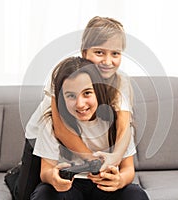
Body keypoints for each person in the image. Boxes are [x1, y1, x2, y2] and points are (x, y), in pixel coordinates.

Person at [9, 16, 134, 200]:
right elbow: (60, 128)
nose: (107, 61)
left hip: (78, 134)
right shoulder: (63, 74)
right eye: (99, 52)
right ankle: (14, 176)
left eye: (115, 53)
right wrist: (93, 161)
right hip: (42, 134)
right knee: (27, 194)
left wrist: (113, 160)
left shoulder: (120, 81)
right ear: (84, 52)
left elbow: (124, 127)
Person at [31, 56, 148, 200]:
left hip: (103, 186)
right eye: (71, 96)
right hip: (70, 186)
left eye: (87, 93)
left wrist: (120, 180)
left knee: (135, 194)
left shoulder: (117, 122)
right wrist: (53, 177)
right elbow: (46, 170)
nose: (80, 104)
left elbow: (128, 169)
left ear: (98, 91)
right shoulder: (51, 123)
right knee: (44, 194)